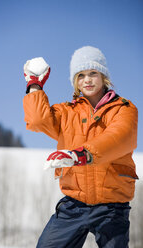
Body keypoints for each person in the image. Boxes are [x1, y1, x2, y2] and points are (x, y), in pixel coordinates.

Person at [23, 46, 138, 248]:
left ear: (104, 77)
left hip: (112, 206)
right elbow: (37, 121)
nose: (87, 80)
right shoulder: (67, 112)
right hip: (74, 204)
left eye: (93, 73)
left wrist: (82, 154)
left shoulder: (124, 109)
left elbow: (119, 138)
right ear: (75, 81)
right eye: (81, 75)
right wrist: (35, 86)